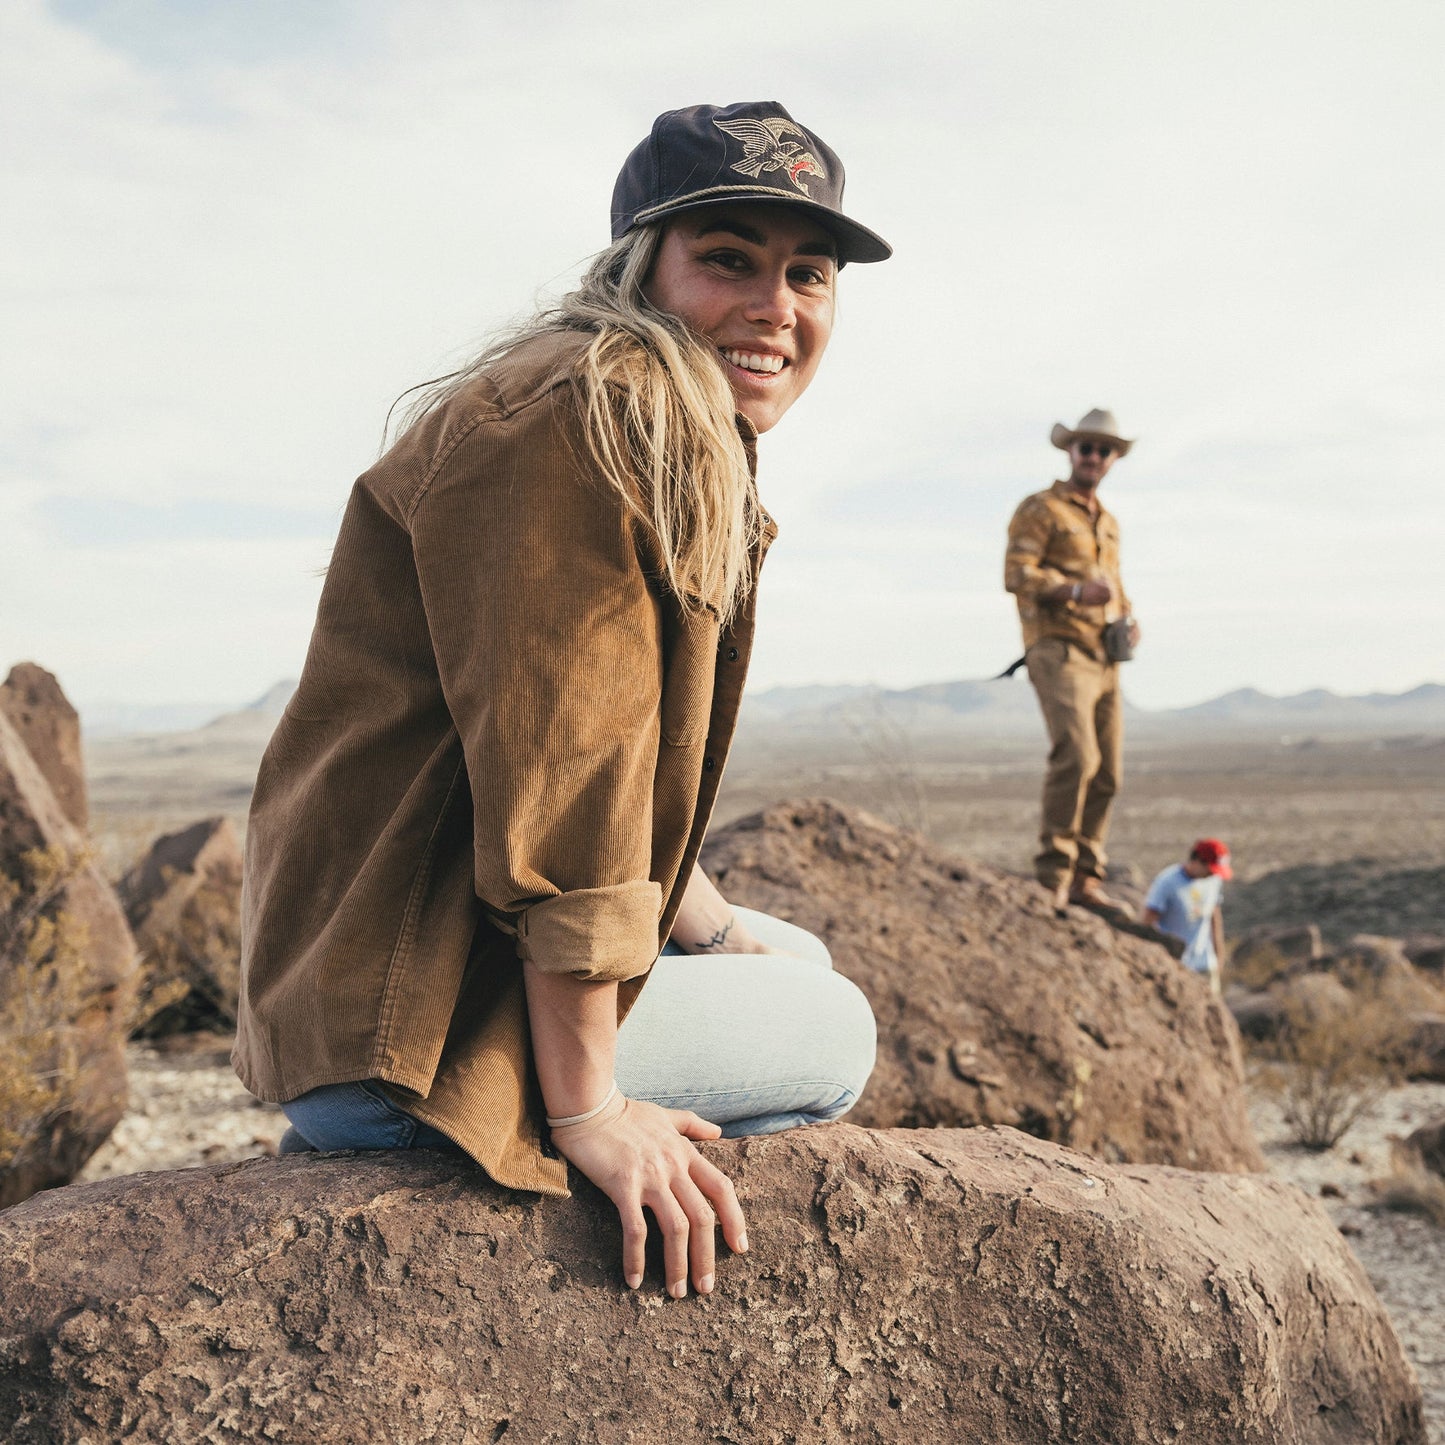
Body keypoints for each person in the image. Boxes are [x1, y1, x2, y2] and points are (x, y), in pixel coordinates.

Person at [233, 101, 889, 1301]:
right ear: (642, 265)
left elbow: (613, 751)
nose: (775, 307)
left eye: (807, 273)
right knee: (834, 1035)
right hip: (407, 1021)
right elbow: (566, 780)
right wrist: (591, 1106)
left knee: (790, 956)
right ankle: (439, 1170)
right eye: (727, 259)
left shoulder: (634, 409)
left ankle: (390, 1138)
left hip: (399, 969)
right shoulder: (590, 420)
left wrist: (718, 929)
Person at [1004, 408, 1141, 915]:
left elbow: (1115, 582)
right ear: (1071, 451)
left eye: (1104, 450)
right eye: (1087, 447)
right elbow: (1017, 573)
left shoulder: (1107, 521)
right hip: (1057, 648)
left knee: (1108, 772)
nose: (1094, 457)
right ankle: (1053, 876)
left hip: (1106, 655)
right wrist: (1075, 590)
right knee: (1077, 757)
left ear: (1112, 460)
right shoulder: (1041, 509)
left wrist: (1127, 615)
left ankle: (1087, 874)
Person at [1142, 839, 1233, 991]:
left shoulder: (1214, 880)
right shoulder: (1168, 882)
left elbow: (1214, 914)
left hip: (1204, 963)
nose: (1212, 874)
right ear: (1197, 860)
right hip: (1176, 963)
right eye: (1210, 869)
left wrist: (1219, 954)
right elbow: (1147, 921)